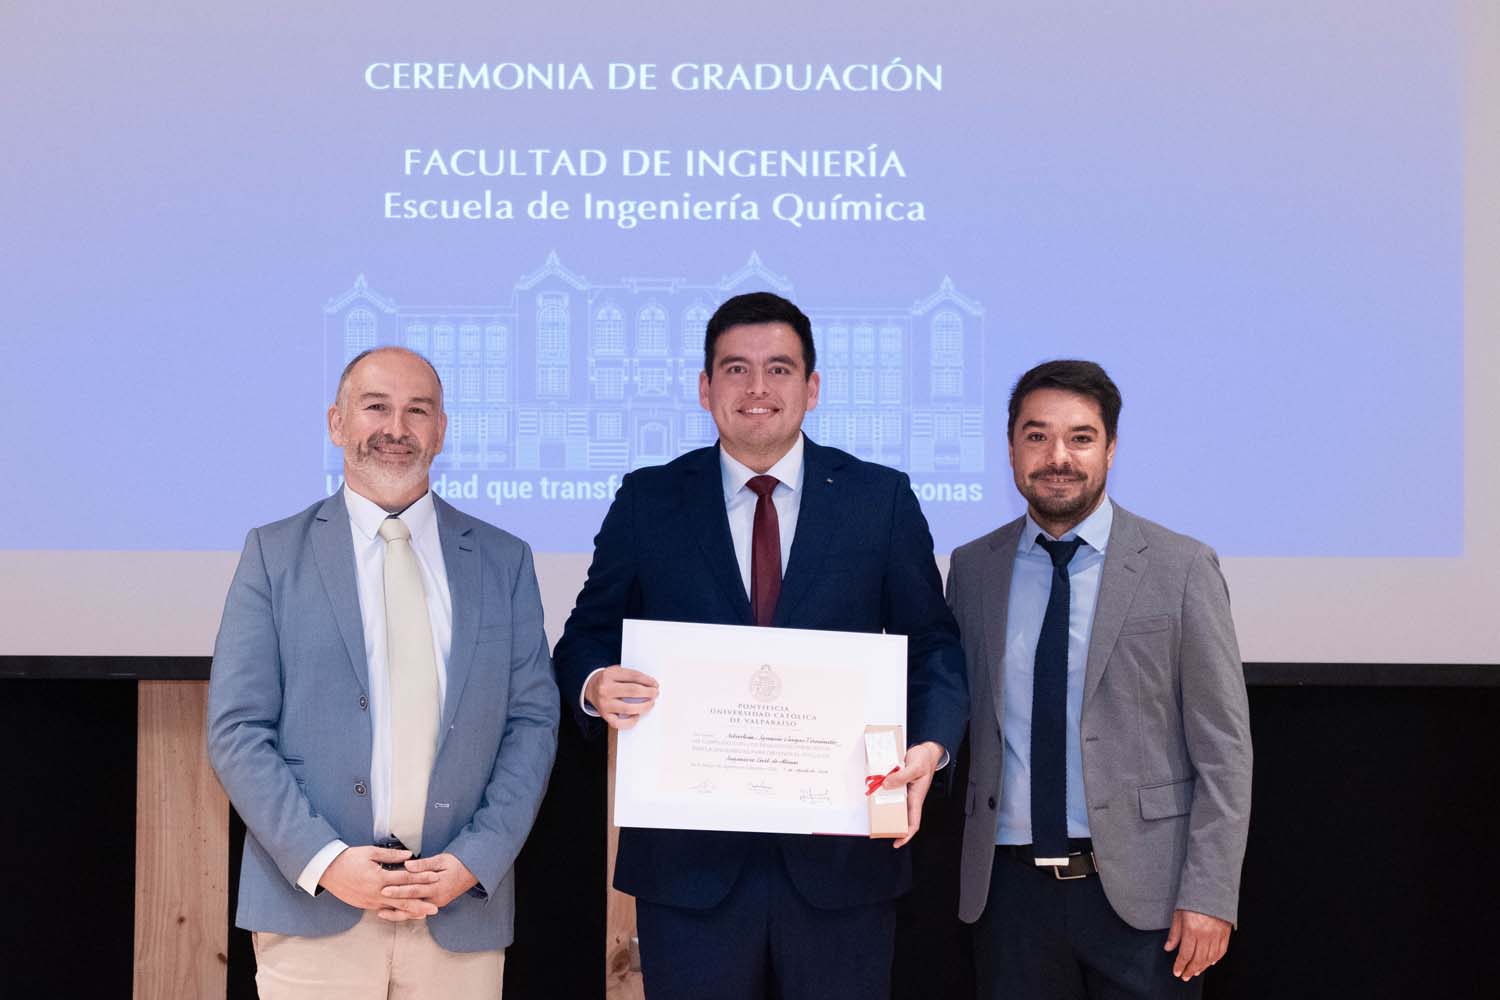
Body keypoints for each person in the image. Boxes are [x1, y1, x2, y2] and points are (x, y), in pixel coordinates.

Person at [553, 291, 968, 1000]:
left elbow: (933, 645)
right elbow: (585, 635)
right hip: (689, 868)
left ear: (812, 387)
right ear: (705, 387)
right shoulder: (650, 499)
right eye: (736, 368)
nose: (757, 387)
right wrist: (595, 682)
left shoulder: (880, 499)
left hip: (843, 863)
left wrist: (931, 745)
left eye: (779, 369)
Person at [207, 347, 558, 998]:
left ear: (441, 431)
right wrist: (327, 861)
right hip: (313, 907)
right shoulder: (273, 554)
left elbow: (532, 723)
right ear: (337, 422)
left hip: (457, 907)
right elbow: (237, 730)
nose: (396, 428)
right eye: (376, 407)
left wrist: (474, 860)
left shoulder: (503, 560)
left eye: (417, 411)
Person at [949, 359, 1252, 998]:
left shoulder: (1181, 567)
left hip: (1147, 902)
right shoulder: (973, 570)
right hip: (1009, 898)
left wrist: (1210, 894)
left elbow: (1224, 752)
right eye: (1037, 436)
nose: (1057, 456)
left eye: (1080, 437)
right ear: (1011, 449)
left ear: (1111, 448)